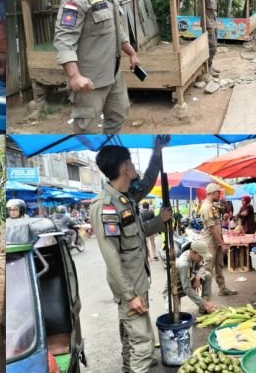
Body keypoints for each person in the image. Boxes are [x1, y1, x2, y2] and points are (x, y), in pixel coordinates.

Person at [90, 136, 173, 373]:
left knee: (130, 336)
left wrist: (159, 220)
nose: (135, 167)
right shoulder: (105, 205)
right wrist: (130, 295)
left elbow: (138, 232)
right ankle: (137, 366)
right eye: (132, 163)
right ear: (125, 167)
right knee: (143, 343)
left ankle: (129, 368)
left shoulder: (127, 200)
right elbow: (110, 254)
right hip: (130, 286)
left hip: (137, 280)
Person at [53, 0, 141, 134]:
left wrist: (132, 53)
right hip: (90, 81)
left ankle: (108, 150)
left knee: (118, 115)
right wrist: (74, 76)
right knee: (88, 129)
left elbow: (118, 32)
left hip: (113, 74)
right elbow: (64, 40)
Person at [198, 183, 237, 296]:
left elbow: (225, 212)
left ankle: (222, 288)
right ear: (212, 193)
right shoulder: (207, 207)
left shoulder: (212, 205)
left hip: (216, 241)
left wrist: (221, 242)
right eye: (218, 193)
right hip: (210, 242)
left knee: (219, 266)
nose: (220, 195)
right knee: (208, 269)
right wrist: (222, 243)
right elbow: (211, 228)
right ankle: (205, 294)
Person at [175, 240, 217, 314]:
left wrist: (197, 277)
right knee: (175, 316)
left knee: (207, 275)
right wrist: (204, 303)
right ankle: (205, 305)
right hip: (176, 288)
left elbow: (202, 266)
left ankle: (203, 308)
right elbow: (187, 288)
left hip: (187, 280)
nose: (202, 258)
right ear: (193, 252)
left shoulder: (194, 255)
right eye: (200, 256)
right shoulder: (184, 264)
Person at [204, 0, 223, 76]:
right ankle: (207, 69)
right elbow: (201, 5)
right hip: (208, 22)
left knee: (214, 45)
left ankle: (210, 65)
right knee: (212, 46)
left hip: (213, 21)